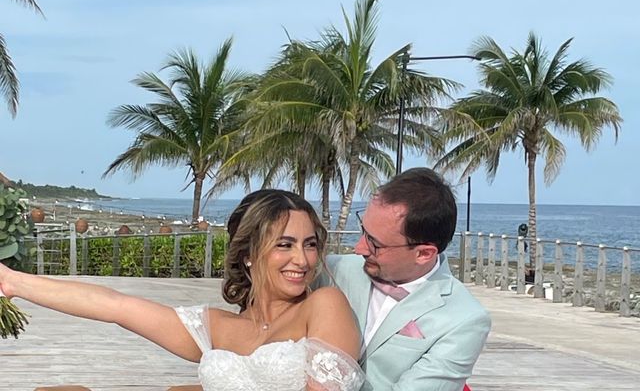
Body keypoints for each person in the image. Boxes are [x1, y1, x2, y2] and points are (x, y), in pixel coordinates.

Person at [0, 192, 365, 391]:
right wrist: (12, 282)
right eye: (285, 245)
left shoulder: (324, 304)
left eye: (310, 244)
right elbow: (114, 305)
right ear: (249, 255)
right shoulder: (218, 327)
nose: (302, 259)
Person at [316, 167, 491, 390]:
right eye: (363, 231)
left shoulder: (465, 319)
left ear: (424, 254)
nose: (358, 248)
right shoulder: (333, 270)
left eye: (375, 244)